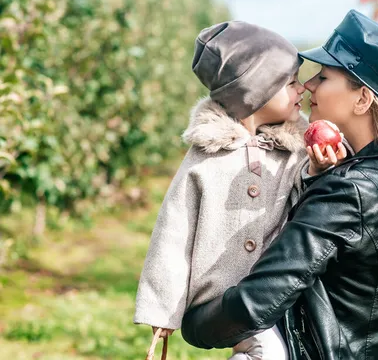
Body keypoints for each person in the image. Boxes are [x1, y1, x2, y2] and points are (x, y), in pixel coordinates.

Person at [180, 9, 378, 359]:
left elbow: (260, 298)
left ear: (362, 99)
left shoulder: (352, 190)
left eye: (324, 76)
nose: (307, 85)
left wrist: (195, 323)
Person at [134, 20, 316, 360]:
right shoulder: (206, 158)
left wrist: (321, 165)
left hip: (275, 294)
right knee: (268, 350)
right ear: (257, 93)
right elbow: (175, 230)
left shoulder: (296, 150)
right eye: (291, 83)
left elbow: (314, 200)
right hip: (218, 301)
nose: (302, 89)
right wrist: (162, 308)